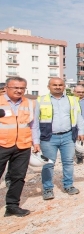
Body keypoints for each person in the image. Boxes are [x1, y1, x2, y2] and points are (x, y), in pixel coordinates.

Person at [32, 78, 84, 200]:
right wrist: (35, 140)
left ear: (64, 86)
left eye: (60, 85)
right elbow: (35, 122)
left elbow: (78, 116)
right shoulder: (41, 100)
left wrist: (81, 131)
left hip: (68, 136)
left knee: (68, 162)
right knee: (48, 164)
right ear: (48, 86)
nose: (57, 87)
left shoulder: (72, 100)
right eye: (54, 85)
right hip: (49, 137)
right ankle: (47, 189)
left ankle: (68, 185)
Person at [0, 77, 34, 216]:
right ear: (6, 88)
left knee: (18, 177)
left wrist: (35, 142)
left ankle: (12, 206)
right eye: (15, 88)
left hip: (23, 145)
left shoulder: (29, 103)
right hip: (2, 144)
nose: (19, 90)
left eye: (22, 88)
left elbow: (33, 125)